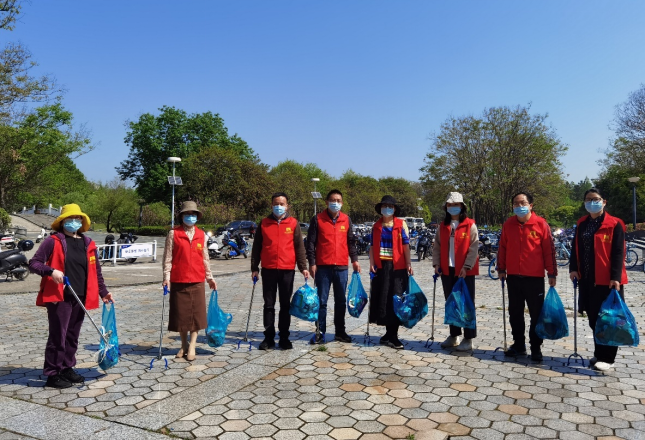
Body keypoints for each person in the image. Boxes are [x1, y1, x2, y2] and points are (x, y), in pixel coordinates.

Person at [29, 204, 114, 389]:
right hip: (60, 297)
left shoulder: (88, 243)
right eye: (70, 218)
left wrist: (103, 292)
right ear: (62, 221)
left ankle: (67, 368)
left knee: (72, 336)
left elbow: (96, 272)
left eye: (77, 218)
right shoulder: (53, 241)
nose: (74, 221)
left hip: (81, 296)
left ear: (82, 221)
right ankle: (53, 374)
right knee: (58, 336)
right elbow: (34, 263)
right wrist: (51, 271)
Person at [569, 188, 628, 371]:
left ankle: (608, 358)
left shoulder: (615, 224)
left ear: (604, 201)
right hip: (587, 279)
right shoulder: (582, 223)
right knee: (593, 318)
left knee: (609, 320)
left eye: (595, 199)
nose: (592, 202)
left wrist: (615, 277)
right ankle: (599, 353)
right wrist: (573, 268)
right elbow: (575, 248)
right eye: (588, 199)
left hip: (608, 281)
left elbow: (619, 252)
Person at [497, 192, 557, 362]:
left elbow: (549, 250)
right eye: (516, 203)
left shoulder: (541, 224)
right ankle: (519, 344)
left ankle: (536, 347)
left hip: (534, 278)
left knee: (536, 314)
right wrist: (501, 268)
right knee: (515, 313)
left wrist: (552, 272)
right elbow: (503, 247)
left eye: (523, 203)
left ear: (531, 205)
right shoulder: (508, 224)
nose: (519, 206)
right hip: (513, 277)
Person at [251, 192, 309, 350]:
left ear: (287, 206)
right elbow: (256, 247)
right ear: (271, 205)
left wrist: (303, 267)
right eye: (276, 204)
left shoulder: (293, 223)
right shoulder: (264, 223)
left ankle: (284, 337)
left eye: (282, 204)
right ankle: (268, 338)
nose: (279, 206)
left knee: (285, 305)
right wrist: (254, 268)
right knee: (269, 305)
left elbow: (299, 247)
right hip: (268, 270)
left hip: (287, 270)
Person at [162, 201, 217, 361]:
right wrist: (166, 277)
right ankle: (183, 344)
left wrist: (209, 277)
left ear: (197, 217)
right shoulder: (174, 234)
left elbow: (205, 258)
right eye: (187, 214)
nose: (190, 217)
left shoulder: (201, 235)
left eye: (193, 214)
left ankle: (192, 345)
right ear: (182, 216)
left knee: (196, 315)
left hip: (197, 280)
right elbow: (167, 258)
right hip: (179, 279)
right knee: (181, 315)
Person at [306, 189, 360, 344]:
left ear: (342, 203)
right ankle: (320, 332)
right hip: (322, 268)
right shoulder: (317, 219)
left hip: (341, 267)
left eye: (338, 201)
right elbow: (310, 243)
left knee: (341, 301)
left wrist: (354, 260)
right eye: (333, 200)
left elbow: (351, 242)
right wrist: (312, 263)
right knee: (321, 301)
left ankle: (340, 332)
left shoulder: (346, 219)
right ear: (327, 202)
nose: (335, 203)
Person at [432, 192, 479, 352]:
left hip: (465, 271)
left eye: (456, 204)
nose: (453, 207)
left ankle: (468, 338)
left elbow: (474, 247)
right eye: (450, 205)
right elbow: (437, 246)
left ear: (462, 206)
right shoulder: (443, 226)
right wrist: (436, 263)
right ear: (446, 207)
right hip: (447, 270)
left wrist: (466, 266)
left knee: (466, 304)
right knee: (451, 303)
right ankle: (454, 335)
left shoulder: (470, 225)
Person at [369, 195, 413, 349]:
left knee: (396, 300)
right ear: (380, 208)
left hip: (398, 268)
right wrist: (372, 263)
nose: (387, 208)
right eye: (384, 206)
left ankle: (393, 335)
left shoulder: (401, 224)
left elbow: (406, 246)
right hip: (381, 267)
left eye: (390, 206)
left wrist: (408, 263)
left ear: (394, 209)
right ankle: (388, 334)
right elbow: (372, 247)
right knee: (383, 300)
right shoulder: (376, 226)